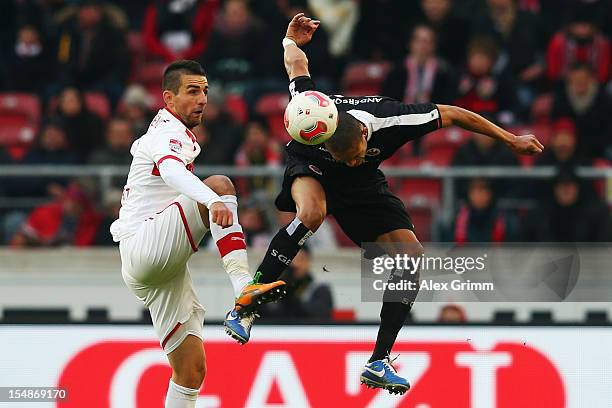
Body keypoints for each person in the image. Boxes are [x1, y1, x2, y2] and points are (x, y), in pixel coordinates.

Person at [249, 14, 543, 395]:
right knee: (311, 214)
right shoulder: (313, 111)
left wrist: (509, 138)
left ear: (365, 137)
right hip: (313, 168)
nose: (352, 157)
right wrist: (290, 40)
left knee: (410, 256)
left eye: (356, 153)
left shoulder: (394, 119)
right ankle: (248, 299)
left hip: (362, 187)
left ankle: (378, 360)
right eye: (347, 156)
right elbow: (296, 66)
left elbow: (453, 113)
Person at [110, 60, 286, 408]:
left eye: (205, 91)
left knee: (191, 371)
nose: (202, 98)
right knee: (221, 184)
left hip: (157, 271)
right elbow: (173, 172)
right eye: (192, 91)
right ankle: (243, 288)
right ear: (168, 99)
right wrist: (211, 199)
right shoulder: (165, 132)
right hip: (146, 245)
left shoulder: (175, 133)